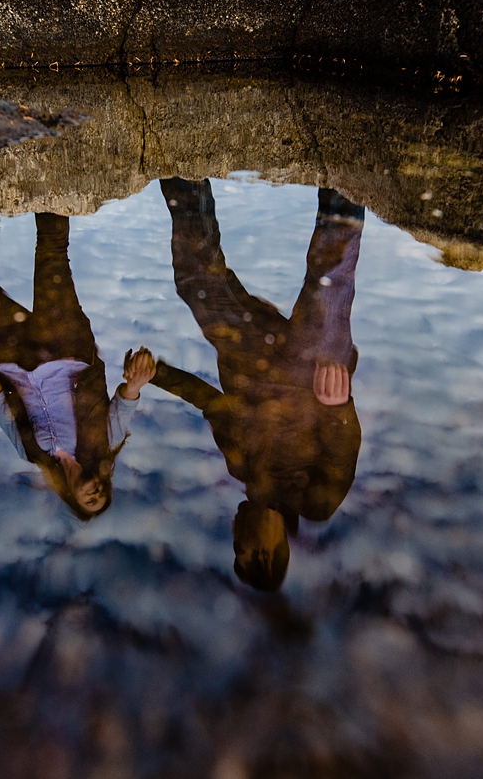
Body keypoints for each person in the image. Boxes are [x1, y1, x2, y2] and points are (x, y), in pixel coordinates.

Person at [152, 179, 365, 590]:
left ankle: (184, 175)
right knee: (330, 284)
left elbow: (209, 403)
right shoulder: (316, 503)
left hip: (248, 353)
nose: (234, 535)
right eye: (239, 548)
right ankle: (344, 185)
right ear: (265, 552)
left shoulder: (240, 467)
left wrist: (157, 375)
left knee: (196, 283)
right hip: (311, 377)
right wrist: (339, 411)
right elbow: (342, 453)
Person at [0, 213, 156, 519]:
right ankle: (49, 180)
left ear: (71, 498)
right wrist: (135, 382)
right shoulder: (105, 444)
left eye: (91, 501)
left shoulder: (32, 453)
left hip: (9, 356)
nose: (98, 493)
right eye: (104, 493)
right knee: (52, 254)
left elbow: (0, 407)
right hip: (66, 345)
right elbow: (125, 403)